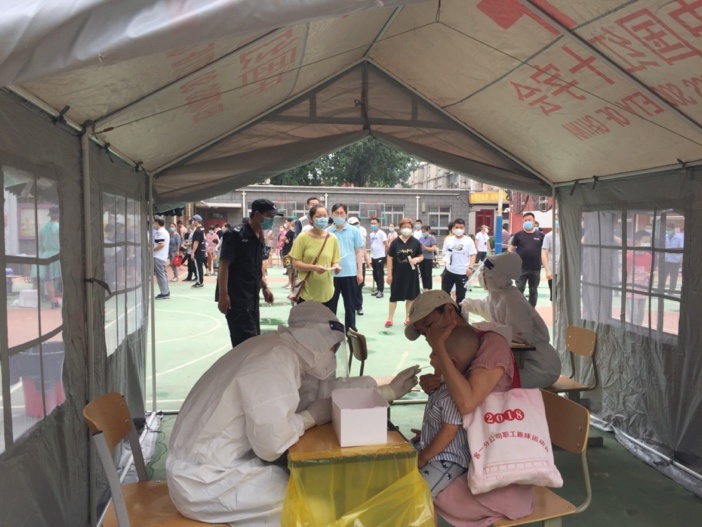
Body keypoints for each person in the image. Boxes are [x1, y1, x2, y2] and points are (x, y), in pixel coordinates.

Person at [167, 302, 420, 526]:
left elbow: (319, 392)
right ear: (316, 340)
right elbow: (272, 444)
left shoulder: (283, 351)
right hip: (203, 482)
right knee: (311, 500)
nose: (332, 354)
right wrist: (310, 418)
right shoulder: (274, 362)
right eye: (332, 347)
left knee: (309, 488)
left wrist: (385, 390)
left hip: (212, 468)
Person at [405, 290, 535, 526]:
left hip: (496, 470)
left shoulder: (492, 344)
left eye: (430, 326)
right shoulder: (454, 350)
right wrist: (433, 388)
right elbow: (453, 406)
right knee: (405, 470)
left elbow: (466, 403)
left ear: (450, 312)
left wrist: (440, 348)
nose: (430, 337)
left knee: (416, 489)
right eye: (425, 334)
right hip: (469, 453)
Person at [461, 252, 561, 388]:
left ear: (497, 275)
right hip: (523, 362)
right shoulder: (497, 295)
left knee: (485, 383)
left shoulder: (511, 299)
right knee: (478, 377)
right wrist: (464, 304)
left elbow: (521, 336)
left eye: (485, 271)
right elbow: (484, 307)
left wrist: (491, 329)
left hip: (540, 367)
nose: (481, 275)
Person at [414, 323, 478, 497]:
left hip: (447, 460)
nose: (430, 356)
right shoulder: (442, 385)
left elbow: (448, 433)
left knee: (417, 495)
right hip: (434, 452)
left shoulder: (452, 393)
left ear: (452, 362)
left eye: (435, 353)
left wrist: (423, 458)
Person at [217, 199, 280, 348]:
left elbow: (256, 265)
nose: (271, 220)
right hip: (236, 298)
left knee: (252, 341)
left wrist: (265, 286)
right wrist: (223, 295)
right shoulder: (235, 235)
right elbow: (223, 266)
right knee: (247, 345)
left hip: (252, 297)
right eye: (269, 216)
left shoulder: (259, 236)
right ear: (257, 214)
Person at [290, 204, 341, 306]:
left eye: (325, 216)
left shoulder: (333, 238)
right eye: (318, 216)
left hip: (327, 291)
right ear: (311, 219)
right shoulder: (303, 237)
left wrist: (336, 266)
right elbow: (295, 263)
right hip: (307, 291)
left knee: (325, 321)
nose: (322, 219)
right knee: (307, 321)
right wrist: (314, 268)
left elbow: (335, 260)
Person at [327, 204, 364, 333]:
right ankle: (332, 330)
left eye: (342, 213)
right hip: (332, 275)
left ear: (346, 214)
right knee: (331, 306)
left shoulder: (354, 231)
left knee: (350, 305)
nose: (339, 216)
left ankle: (351, 329)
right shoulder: (327, 232)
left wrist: (360, 272)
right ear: (332, 215)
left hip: (350, 273)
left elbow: (359, 251)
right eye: (336, 213)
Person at [386, 217, 424, 327]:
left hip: (411, 274)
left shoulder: (416, 242)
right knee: (394, 297)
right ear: (400, 228)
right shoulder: (395, 242)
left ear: (412, 228)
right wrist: (389, 274)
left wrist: (417, 259)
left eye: (408, 227)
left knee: (411, 297)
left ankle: (408, 317)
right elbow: (389, 258)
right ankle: (390, 318)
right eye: (403, 227)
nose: (406, 229)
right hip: (397, 274)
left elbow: (421, 256)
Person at [509, 212, 544, 307]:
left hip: (535, 268)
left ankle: (531, 310)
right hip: (521, 268)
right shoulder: (518, 235)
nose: (527, 222)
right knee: (519, 289)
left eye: (529, 220)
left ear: (534, 221)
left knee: (533, 290)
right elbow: (511, 250)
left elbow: (545, 251)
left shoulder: (540, 235)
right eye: (525, 220)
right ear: (522, 222)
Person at [441, 218, 477, 305]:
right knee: (444, 293)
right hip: (449, 270)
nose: (459, 229)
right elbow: (444, 252)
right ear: (453, 228)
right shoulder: (448, 240)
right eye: (457, 227)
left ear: (464, 228)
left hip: (462, 272)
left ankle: (459, 314)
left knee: (461, 296)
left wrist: (470, 267)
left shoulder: (468, 241)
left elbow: (473, 254)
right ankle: (445, 311)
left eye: (461, 227)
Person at [626, 230, 653, 326]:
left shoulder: (649, 256)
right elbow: (626, 272)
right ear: (637, 242)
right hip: (631, 289)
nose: (647, 243)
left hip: (643, 289)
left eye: (648, 241)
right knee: (633, 315)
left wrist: (648, 275)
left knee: (640, 315)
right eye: (645, 241)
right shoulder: (629, 256)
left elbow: (649, 271)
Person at [38, 206, 62, 308]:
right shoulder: (60, 227)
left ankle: (53, 301)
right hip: (58, 254)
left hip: (46, 256)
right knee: (63, 278)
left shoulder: (42, 228)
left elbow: (40, 245)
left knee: (49, 280)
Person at [347, 216, 369, 316]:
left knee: (359, 285)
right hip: (350, 263)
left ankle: (359, 306)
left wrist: (367, 260)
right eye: (352, 224)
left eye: (356, 223)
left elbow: (363, 248)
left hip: (360, 262)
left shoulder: (362, 231)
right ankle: (351, 305)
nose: (355, 226)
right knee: (350, 287)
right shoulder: (347, 233)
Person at [659, 223, 683, 294]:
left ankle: (671, 291)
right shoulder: (665, 236)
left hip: (675, 261)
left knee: (673, 277)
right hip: (666, 260)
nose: (668, 231)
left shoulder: (679, 237)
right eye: (667, 229)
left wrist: (671, 250)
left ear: (673, 229)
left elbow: (682, 248)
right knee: (663, 276)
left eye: (669, 229)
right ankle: (661, 291)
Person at [541, 218, 560, 302]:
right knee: (554, 296)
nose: (557, 221)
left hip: (566, 270)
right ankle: (555, 314)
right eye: (555, 219)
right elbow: (544, 253)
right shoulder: (549, 236)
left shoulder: (568, 234)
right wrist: (547, 270)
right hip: (553, 270)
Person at [369, 217, 388, 298]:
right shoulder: (371, 234)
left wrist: (387, 255)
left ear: (378, 224)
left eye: (374, 223)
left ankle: (381, 290)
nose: (373, 225)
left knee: (380, 274)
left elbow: (386, 244)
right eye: (372, 223)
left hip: (381, 256)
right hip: (374, 256)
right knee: (375, 274)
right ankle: (377, 288)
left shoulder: (382, 233)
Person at [152, 216, 170, 299]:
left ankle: (164, 292)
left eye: (154, 223)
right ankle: (166, 290)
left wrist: (152, 250)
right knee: (163, 274)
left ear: (157, 223)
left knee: (160, 275)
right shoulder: (164, 231)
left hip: (159, 256)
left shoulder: (160, 232)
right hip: (162, 256)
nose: (154, 224)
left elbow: (161, 244)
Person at [189, 215, 206, 287]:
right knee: (200, 267)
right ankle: (200, 281)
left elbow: (196, 242)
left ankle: (199, 282)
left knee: (198, 267)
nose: (193, 221)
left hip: (198, 251)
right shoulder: (203, 229)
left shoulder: (197, 231)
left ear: (196, 220)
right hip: (202, 250)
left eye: (194, 220)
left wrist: (192, 252)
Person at [419, 225, 436, 291]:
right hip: (421, 258)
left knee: (428, 273)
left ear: (428, 231)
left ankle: (429, 288)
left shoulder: (432, 238)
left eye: (425, 231)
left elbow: (433, 248)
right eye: (422, 231)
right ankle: (424, 287)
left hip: (428, 258)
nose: (423, 233)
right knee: (422, 273)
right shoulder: (421, 238)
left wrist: (425, 248)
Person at [280, 221, 295, 289]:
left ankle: (291, 283)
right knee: (289, 268)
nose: (285, 224)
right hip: (287, 252)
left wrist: (284, 239)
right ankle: (290, 282)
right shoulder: (290, 231)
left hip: (288, 253)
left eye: (287, 222)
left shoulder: (291, 231)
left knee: (290, 268)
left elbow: (282, 238)